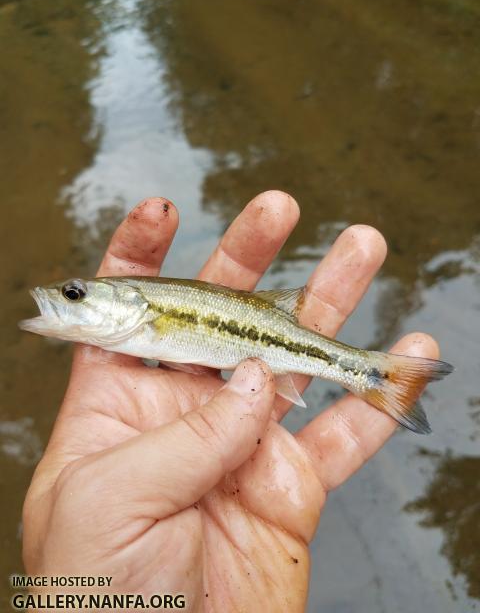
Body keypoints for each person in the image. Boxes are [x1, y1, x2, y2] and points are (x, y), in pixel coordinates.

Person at [22, 191, 438, 611]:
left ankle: (367, 372)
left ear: (134, 305)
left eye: (74, 294)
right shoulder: (137, 319)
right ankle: (367, 370)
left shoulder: (148, 312)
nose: (64, 298)